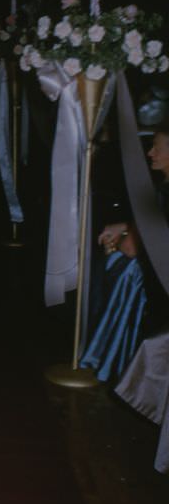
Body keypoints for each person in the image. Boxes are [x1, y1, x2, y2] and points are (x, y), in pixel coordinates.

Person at [81, 121, 169, 381]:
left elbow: (134, 247)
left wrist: (120, 239)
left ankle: (109, 355)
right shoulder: (163, 188)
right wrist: (124, 227)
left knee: (119, 265)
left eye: (156, 147)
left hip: (159, 282)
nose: (150, 153)